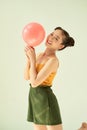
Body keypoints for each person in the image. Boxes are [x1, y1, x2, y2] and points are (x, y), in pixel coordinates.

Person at [24, 27, 75, 130]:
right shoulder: (38, 55)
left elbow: (34, 83)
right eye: (52, 34)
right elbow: (27, 77)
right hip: (34, 97)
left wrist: (33, 61)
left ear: (61, 46)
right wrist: (29, 59)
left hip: (46, 99)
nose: (51, 38)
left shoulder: (53, 61)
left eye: (56, 38)